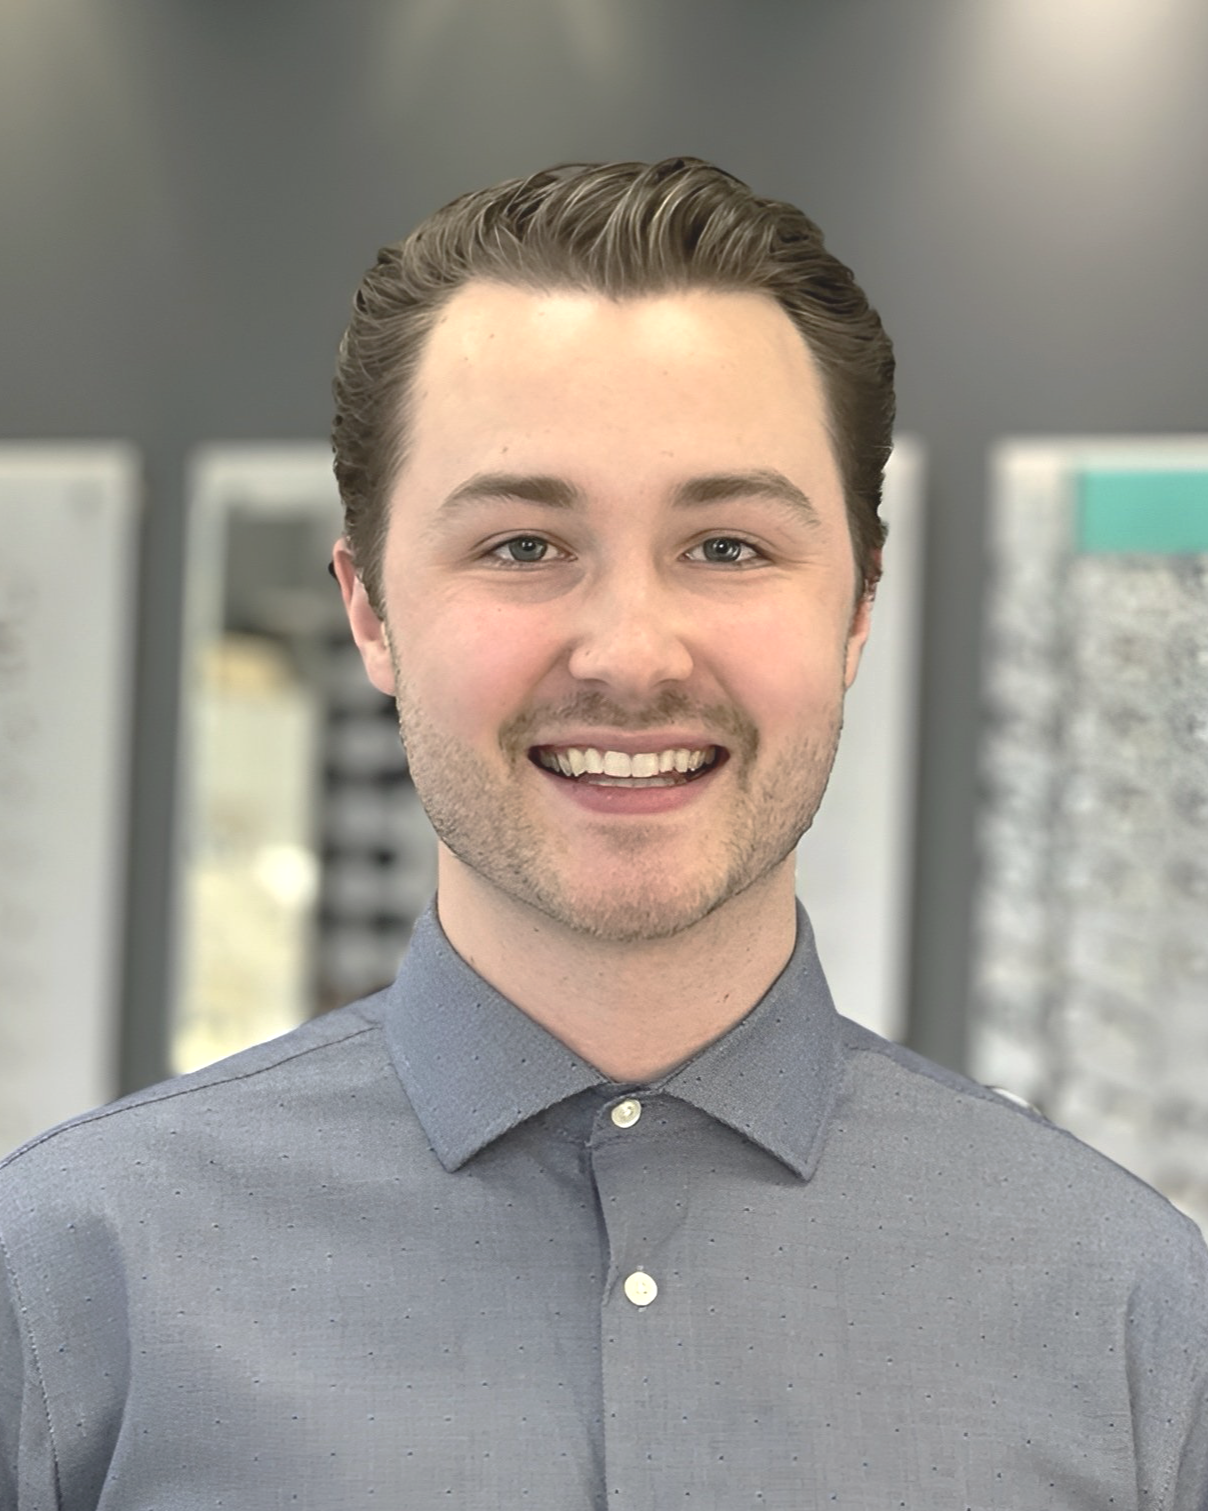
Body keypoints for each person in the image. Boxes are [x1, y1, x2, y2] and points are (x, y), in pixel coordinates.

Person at [2, 158, 1206, 1509]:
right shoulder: (64, 1294)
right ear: (371, 611)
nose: (632, 655)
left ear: (859, 604)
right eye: (523, 546)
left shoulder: (1134, 1323)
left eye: (729, 546)